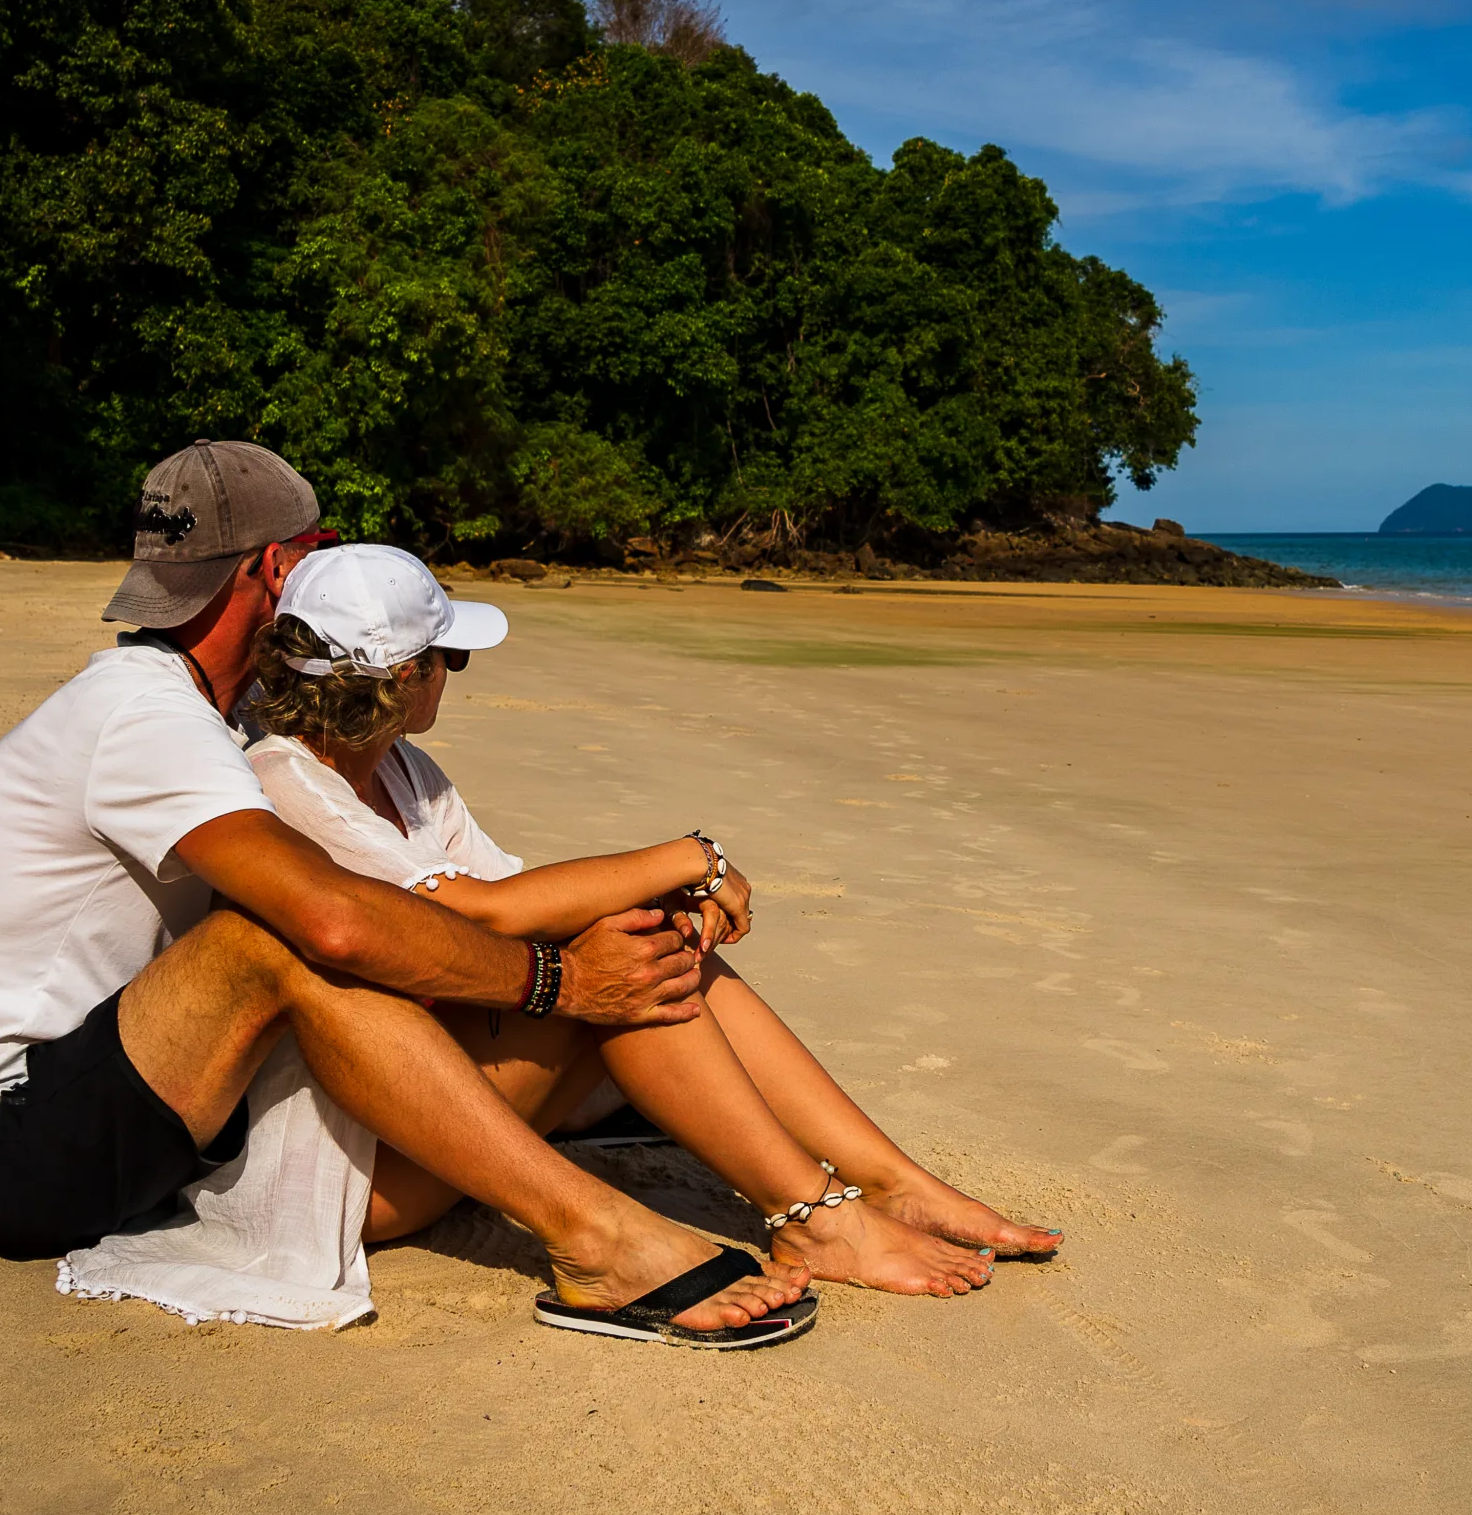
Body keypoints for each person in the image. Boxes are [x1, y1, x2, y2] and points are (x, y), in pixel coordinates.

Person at [0, 440, 812, 1349]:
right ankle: (598, 1237)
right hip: (4, 1149)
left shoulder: (207, 709)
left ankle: (831, 1194)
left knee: (346, 926)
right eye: (317, 548)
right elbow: (333, 921)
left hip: (119, 1092)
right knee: (275, 934)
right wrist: (561, 984)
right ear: (276, 567)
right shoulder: (145, 715)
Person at [231, 542, 1064, 1296]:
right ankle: (816, 1218)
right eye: (451, 655)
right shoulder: (287, 784)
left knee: (644, 944)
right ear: (407, 675)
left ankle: (888, 1181)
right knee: (629, 973)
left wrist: (659, 905)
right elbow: (481, 909)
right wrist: (688, 858)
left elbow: (523, 909)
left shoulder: (404, 769)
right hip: (354, 1172)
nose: (457, 671)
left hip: (439, 1110)